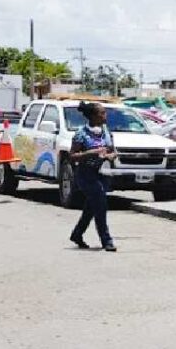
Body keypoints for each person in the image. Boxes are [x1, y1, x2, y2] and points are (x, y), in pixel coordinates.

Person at [68, 102, 118, 251]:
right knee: (101, 204)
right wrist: (90, 153)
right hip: (85, 174)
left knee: (92, 206)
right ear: (93, 116)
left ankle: (77, 234)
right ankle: (106, 240)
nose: (105, 116)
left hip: (102, 173)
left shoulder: (106, 131)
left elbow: (113, 151)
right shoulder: (81, 134)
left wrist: (110, 156)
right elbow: (72, 156)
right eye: (102, 113)